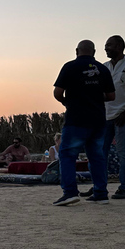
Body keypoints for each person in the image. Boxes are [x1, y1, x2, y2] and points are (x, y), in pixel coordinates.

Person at [81, 35, 125, 200]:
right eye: (105, 45)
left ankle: (124, 188)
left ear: (119, 46)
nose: (106, 48)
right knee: (99, 153)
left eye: (109, 45)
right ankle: (98, 187)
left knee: (122, 152)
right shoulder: (103, 67)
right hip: (104, 116)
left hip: (124, 115)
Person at [52, 39, 115, 206]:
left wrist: (66, 101)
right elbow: (111, 96)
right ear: (94, 52)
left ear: (76, 51)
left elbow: (57, 92)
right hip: (98, 120)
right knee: (97, 157)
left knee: (67, 155)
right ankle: (101, 193)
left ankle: (70, 192)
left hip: (76, 119)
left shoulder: (69, 67)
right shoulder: (102, 69)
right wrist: (94, 96)